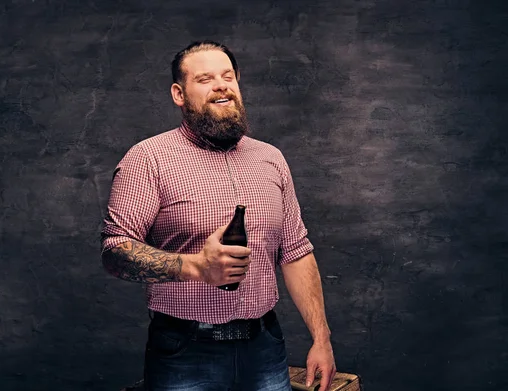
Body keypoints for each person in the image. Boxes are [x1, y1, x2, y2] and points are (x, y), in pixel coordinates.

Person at [101, 40, 336, 391]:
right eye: (205, 78)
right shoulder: (148, 158)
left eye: (228, 76)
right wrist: (195, 267)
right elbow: (115, 250)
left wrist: (321, 338)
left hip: (265, 348)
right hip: (184, 352)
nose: (221, 85)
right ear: (179, 94)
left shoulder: (271, 158)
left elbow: (296, 251)